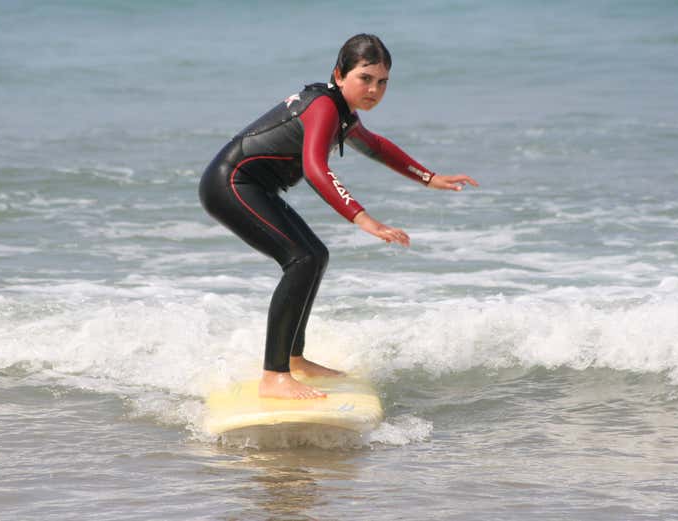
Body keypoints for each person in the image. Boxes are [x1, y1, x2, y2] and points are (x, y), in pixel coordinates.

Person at [199, 34, 478, 400]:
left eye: (382, 82)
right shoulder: (323, 107)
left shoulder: (342, 113)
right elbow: (316, 168)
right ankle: (274, 376)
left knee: (314, 257)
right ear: (339, 74)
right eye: (365, 78)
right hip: (231, 183)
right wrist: (365, 220)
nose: (374, 89)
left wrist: (429, 178)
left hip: (254, 187)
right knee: (300, 259)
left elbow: (375, 145)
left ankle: (293, 361)